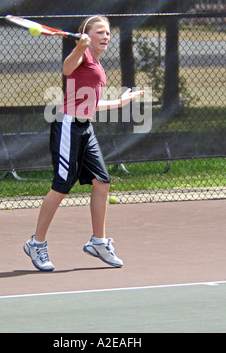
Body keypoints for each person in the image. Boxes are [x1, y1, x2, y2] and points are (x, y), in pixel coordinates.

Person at [24, 15, 144, 271]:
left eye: (108, 33)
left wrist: (120, 103)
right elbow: (67, 69)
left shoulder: (97, 65)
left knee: (102, 182)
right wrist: (79, 47)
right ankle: (36, 242)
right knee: (62, 186)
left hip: (85, 127)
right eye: (100, 32)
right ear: (86, 35)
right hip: (67, 125)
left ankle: (98, 242)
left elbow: (90, 104)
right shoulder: (82, 56)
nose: (105, 36)